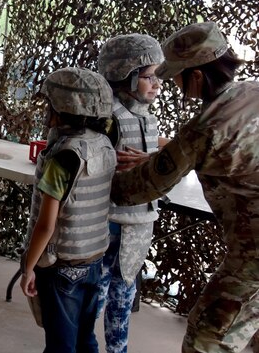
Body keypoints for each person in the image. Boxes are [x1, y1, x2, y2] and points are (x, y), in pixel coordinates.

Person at [110, 21, 259, 353]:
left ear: (196, 76)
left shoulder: (206, 128)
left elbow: (140, 188)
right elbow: (234, 154)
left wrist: (91, 177)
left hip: (254, 260)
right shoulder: (251, 93)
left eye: (174, 75)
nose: (170, 83)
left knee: (206, 338)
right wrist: (160, 154)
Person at [20, 67, 116, 353]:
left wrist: (28, 268)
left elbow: (46, 226)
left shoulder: (63, 157)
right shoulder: (104, 145)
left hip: (62, 267)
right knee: (86, 338)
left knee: (61, 345)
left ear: (61, 108)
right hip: (94, 260)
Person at [96, 34, 167, 353]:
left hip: (138, 222)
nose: (157, 84)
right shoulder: (106, 116)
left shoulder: (145, 115)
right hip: (107, 221)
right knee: (94, 297)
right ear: (127, 74)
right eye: (149, 76)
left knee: (122, 298)